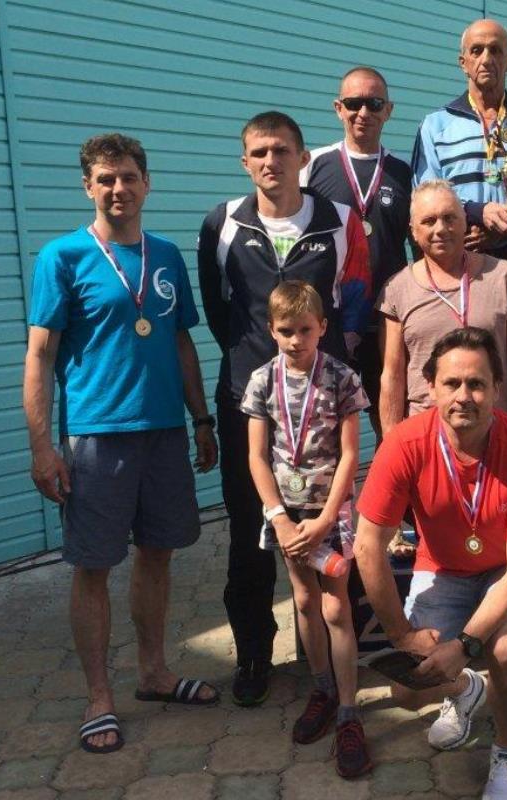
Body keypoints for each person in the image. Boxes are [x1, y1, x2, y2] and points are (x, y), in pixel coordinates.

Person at [23, 133, 219, 755]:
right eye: (106, 179)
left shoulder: (166, 255)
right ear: (88, 186)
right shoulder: (62, 257)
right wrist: (42, 447)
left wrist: (202, 418)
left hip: (163, 432)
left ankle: (154, 673)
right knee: (94, 566)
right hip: (96, 438)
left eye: (129, 177)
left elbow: (180, 341)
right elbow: (40, 354)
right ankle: (99, 697)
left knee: (158, 555)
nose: (118, 189)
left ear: (146, 184)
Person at [197, 111, 370, 707]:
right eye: (259, 152)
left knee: (327, 529)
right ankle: (253, 654)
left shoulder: (339, 219)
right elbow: (220, 313)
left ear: (302, 158)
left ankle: (327, 658)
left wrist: (332, 370)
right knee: (252, 530)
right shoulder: (222, 222)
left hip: (321, 402)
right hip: (250, 399)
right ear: (245, 161)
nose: (271, 161)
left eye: (281, 150)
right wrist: (256, 368)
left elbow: (355, 302)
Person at [354, 327, 507, 800]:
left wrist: (464, 644)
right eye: (452, 383)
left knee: (505, 651)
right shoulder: (404, 444)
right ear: (430, 387)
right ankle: (465, 690)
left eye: (477, 383)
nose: (464, 395)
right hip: (443, 565)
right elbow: (367, 547)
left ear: (497, 389)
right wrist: (402, 634)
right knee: (408, 691)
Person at [241, 280, 371, 777]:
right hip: (288, 517)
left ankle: (349, 711)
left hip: (330, 512)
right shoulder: (261, 380)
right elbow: (257, 456)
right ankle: (321, 689)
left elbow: (351, 454)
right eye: (286, 331)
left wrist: (326, 518)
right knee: (303, 601)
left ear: (322, 327)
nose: (296, 340)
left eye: (305, 330)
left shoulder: (341, 378)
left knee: (336, 606)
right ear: (271, 330)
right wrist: (278, 516)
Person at [411, 18, 507, 286]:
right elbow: (424, 192)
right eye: (477, 50)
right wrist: (475, 212)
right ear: (463, 63)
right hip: (458, 257)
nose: (486, 59)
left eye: (496, 50)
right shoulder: (435, 125)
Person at [301, 66, 413, 429]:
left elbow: (421, 247)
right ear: (338, 108)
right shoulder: (313, 166)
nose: (363, 112)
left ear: (388, 110)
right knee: (328, 427)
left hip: (388, 320)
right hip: (332, 320)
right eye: (353, 103)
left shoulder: (404, 172)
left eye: (374, 103)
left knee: (392, 425)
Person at [378, 180, 507, 433]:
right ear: (413, 231)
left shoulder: (503, 277)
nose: (441, 229)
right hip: (425, 438)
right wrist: (392, 444)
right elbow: (392, 377)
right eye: (429, 221)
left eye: (450, 218)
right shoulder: (397, 289)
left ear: (465, 223)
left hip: (493, 434)